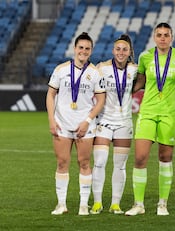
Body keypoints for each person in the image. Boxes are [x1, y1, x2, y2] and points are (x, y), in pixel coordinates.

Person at [124, 22, 175, 216]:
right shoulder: (145, 57)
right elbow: (141, 81)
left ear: (171, 37)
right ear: (154, 37)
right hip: (148, 111)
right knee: (140, 157)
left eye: (166, 35)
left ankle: (162, 203)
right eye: (159, 34)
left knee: (165, 157)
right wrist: (123, 92)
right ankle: (138, 204)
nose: (162, 38)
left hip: (170, 114)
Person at [46, 32, 106, 216]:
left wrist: (87, 121)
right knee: (62, 162)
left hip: (84, 126)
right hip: (62, 124)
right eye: (81, 47)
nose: (84, 51)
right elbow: (50, 94)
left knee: (84, 163)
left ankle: (83, 205)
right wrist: (51, 119)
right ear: (75, 48)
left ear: (91, 51)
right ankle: (61, 204)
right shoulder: (61, 70)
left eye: (87, 49)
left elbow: (101, 100)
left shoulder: (95, 73)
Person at [90, 34, 137, 215]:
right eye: (118, 49)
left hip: (124, 123)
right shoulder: (102, 68)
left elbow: (142, 83)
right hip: (104, 121)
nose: (121, 52)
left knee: (120, 165)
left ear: (129, 52)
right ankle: (97, 202)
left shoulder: (135, 69)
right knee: (100, 162)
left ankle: (115, 203)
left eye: (124, 49)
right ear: (113, 51)